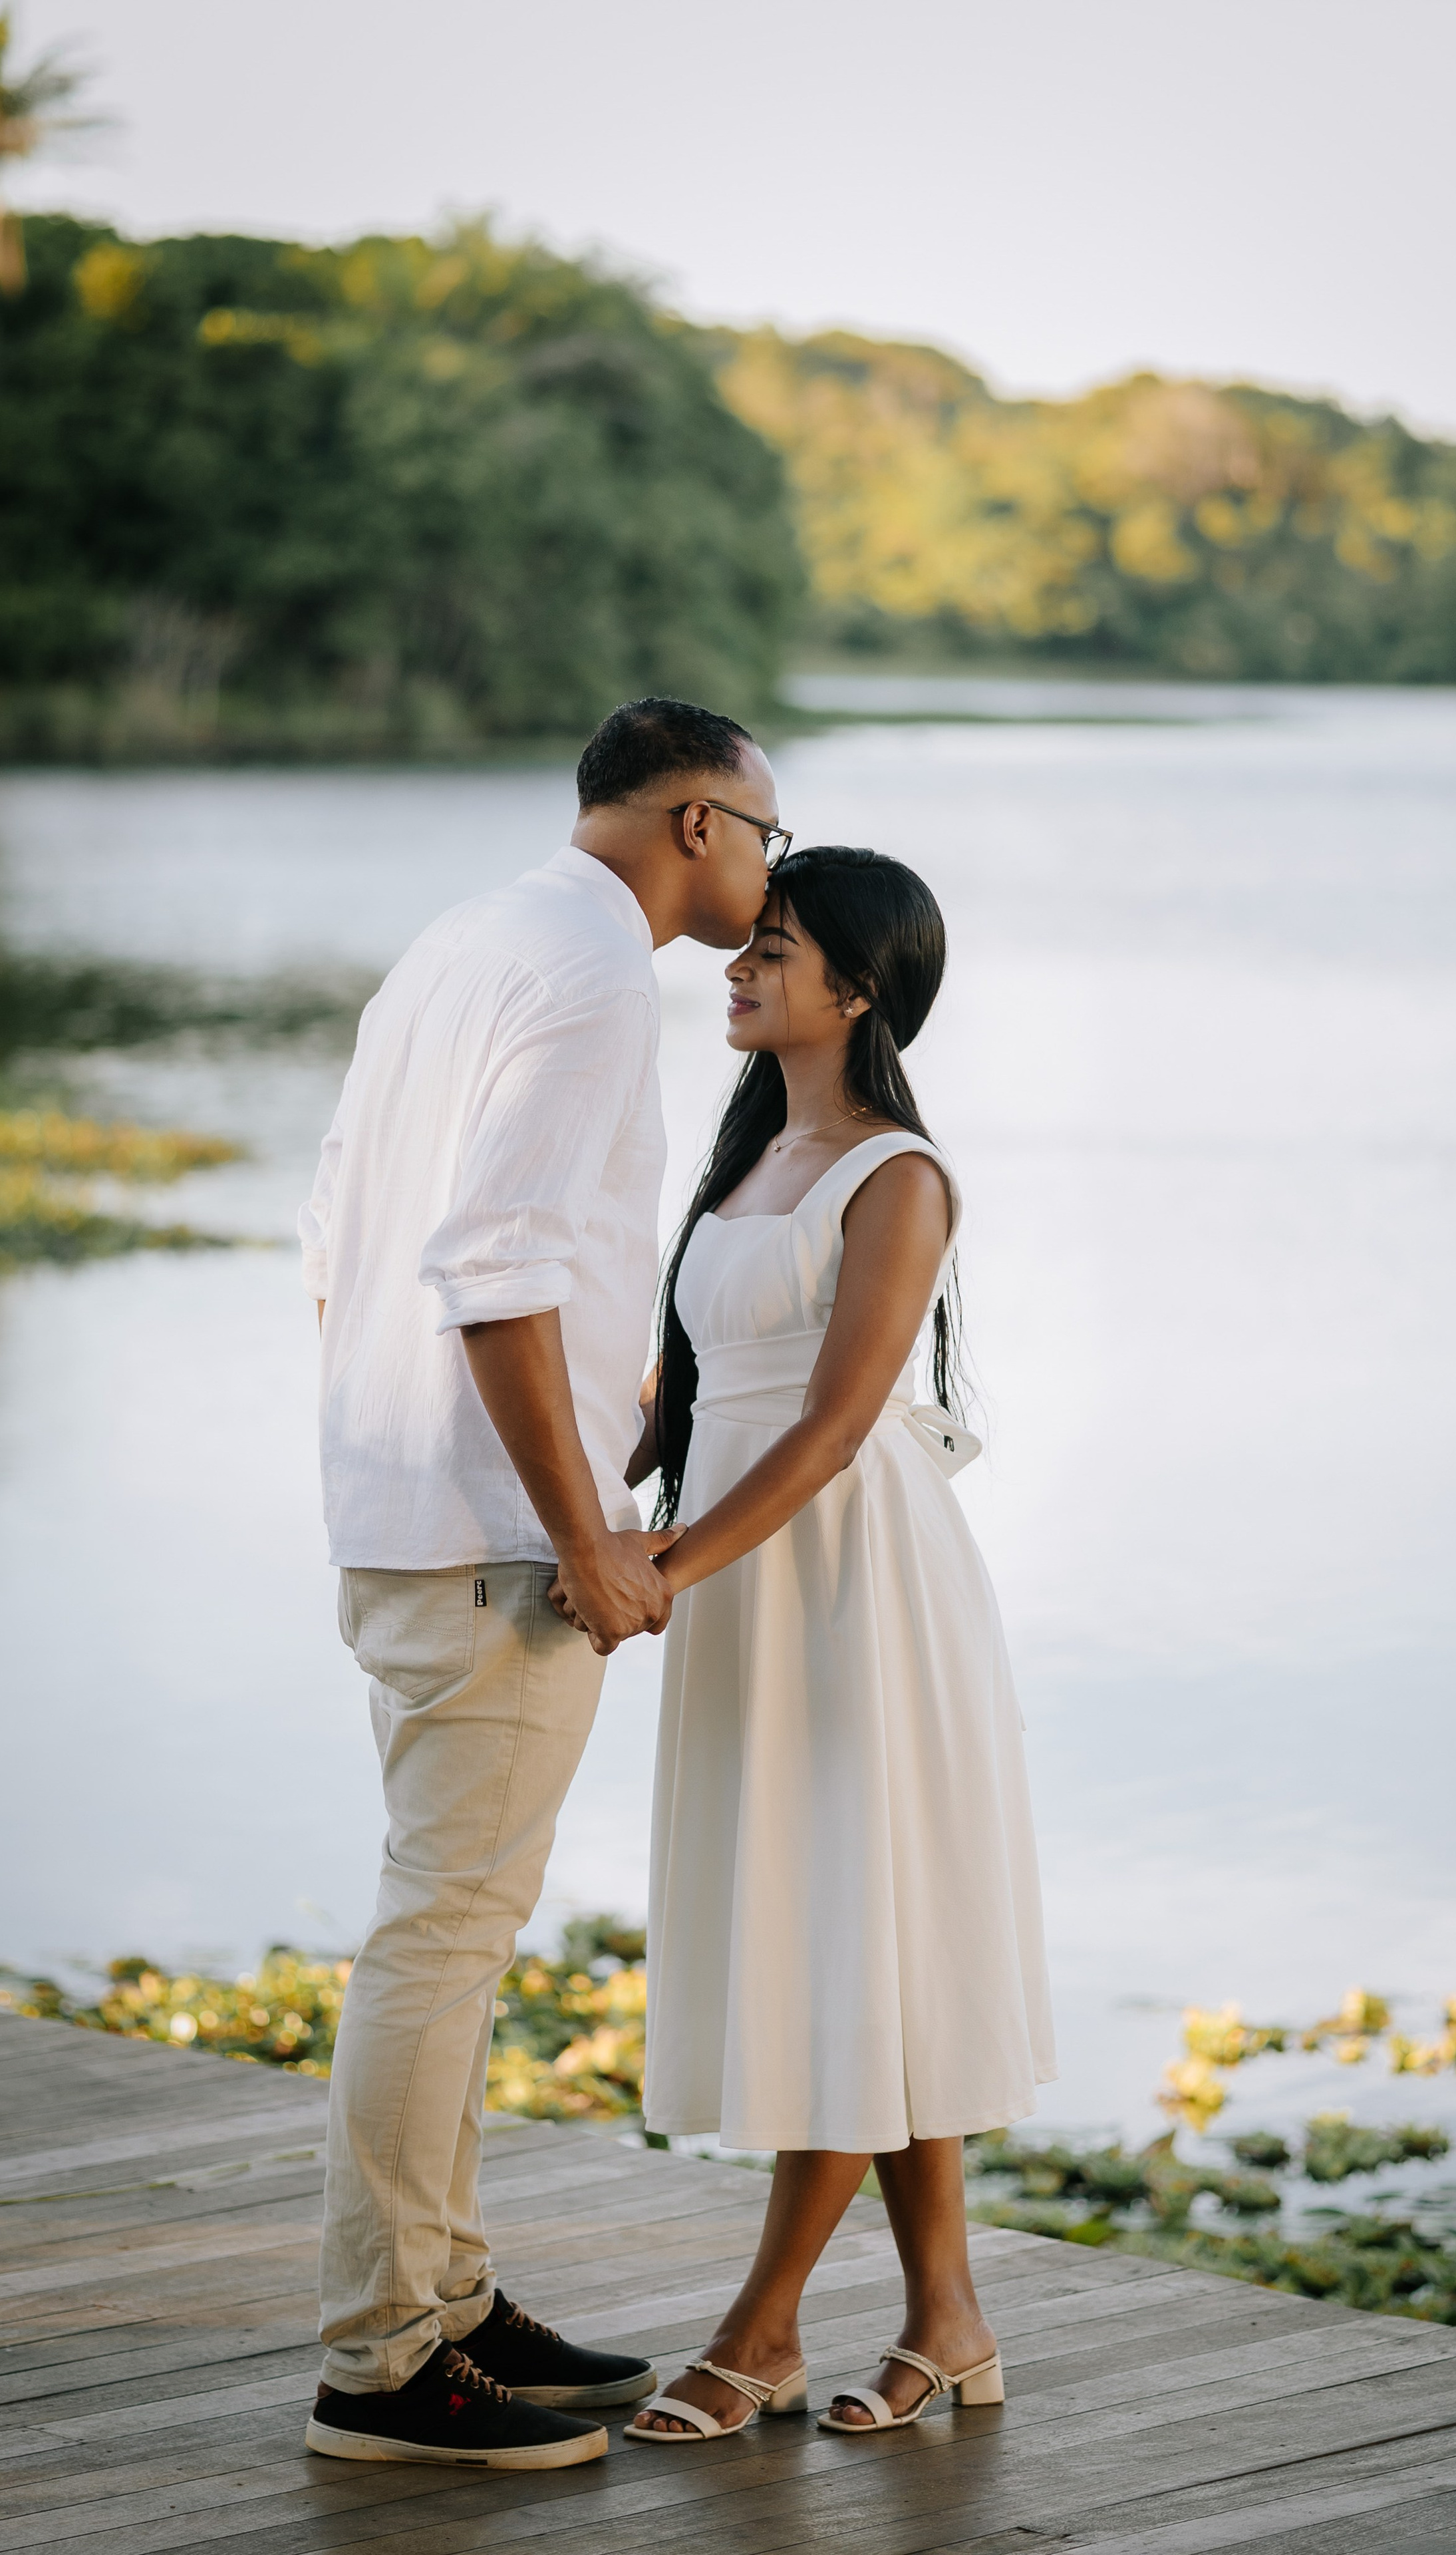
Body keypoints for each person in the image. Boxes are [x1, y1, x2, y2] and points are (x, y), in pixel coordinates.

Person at [296, 697, 786, 2472]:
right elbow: (489, 1268)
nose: (768, 878)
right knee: (443, 1937)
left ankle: (447, 2296)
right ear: (697, 825)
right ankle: (378, 2365)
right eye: (767, 838)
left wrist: (416, 1441)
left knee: (453, 1925)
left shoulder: (465, 937)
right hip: (497, 1533)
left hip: (402, 1497)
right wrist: (584, 1531)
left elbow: (336, 1227)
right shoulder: (590, 976)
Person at [607, 846, 1056, 2443]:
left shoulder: (896, 1177)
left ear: (855, 991)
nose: (737, 966)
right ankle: (950, 2322)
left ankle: (764, 2330)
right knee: (869, 1942)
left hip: (855, 1584)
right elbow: (689, 1395)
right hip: (748, 1582)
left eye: (773, 951)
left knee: (851, 1943)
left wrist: (665, 1565)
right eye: (746, 946)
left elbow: (832, 1426)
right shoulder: (745, 1164)